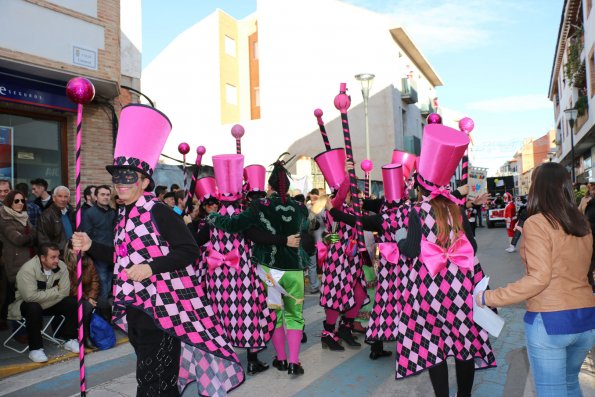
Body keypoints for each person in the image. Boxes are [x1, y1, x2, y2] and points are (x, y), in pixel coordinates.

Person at [74, 104, 243, 396]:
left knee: (153, 381)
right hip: (136, 306)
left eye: (128, 177)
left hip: (165, 308)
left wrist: (150, 268)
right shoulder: (124, 215)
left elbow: (189, 250)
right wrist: (91, 247)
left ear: (144, 181)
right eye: (117, 178)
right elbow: (121, 259)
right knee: (156, 378)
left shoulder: (158, 211)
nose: (120, 183)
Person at [391, 124, 496, 396]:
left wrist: (400, 239)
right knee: (464, 343)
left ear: (421, 186)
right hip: (460, 288)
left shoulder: (417, 211)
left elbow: (412, 250)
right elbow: (471, 247)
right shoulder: (457, 209)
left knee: (433, 346)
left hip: (429, 289)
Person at [477, 162, 595, 397]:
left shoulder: (537, 222)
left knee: (552, 391)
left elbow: (538, 279)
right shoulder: (581, 223)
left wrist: (489, 297)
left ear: (537, 188)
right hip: (586, 318)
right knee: (571, 384)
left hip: (550, 321)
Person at [208, 153, 310, 376]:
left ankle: (280, 359)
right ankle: (294, 361)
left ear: (270, 186)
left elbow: (233, 225)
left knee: (275, 313)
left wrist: (213, 217)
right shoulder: (301, 208)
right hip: (294, 269)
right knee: (295, 315)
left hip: (269, 270)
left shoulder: (259, 205)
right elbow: (307, 230)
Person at [8, 243, 79, 362]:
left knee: (72, 302)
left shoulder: (61, 266)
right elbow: (30, 297)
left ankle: (69, 339)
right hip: (25, 304)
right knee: (33, 307)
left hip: (45, 303)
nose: (57, 260)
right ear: (42, 258)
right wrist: (56, 290)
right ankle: (35, 349)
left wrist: (49, 295)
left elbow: (65, 292)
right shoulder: (27, 269)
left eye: (58, 256)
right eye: (53, 257)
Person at [0, 190, 37, 341]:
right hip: (15, 264)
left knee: (29, 298)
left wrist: (31, 236)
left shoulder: (24, 217)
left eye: (22, 201)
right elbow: (18, 240)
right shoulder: (4, 218)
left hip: (30, 261)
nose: (20, 203)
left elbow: (35, 234)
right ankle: (19, 332)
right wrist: (32, 237)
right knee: (19, 299)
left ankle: (30, 329)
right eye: (16, 201)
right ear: (9, 202)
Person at [82, 185, 116, 305]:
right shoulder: (89, 213)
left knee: (111, 282)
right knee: (102, 283)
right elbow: (86, 234)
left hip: (113, 253)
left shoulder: (113, 213)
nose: (106, 197)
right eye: (102, 194)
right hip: (98, 254)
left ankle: (107, 312)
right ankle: (102, 313)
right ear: (95, 197)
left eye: (107, 194)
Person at [63, 244, 100, 349]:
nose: (82, 249)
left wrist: (92, 297)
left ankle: (99, 334)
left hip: (89, 294)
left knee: (104, 303)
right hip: (73, 295)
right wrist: (87, 299)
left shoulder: (88, 261)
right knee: (87, 306)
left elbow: (95, 280)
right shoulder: (65, 264)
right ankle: (85, 337)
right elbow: (71, 287)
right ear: (70, 250)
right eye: (77, 247)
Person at [37, 186, 74, 256]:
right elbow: (44, 241)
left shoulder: (72, 212)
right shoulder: (46, 216)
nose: (63, 199)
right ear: (54, 198)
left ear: (68, 199)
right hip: (58, 257)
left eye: (65, 197)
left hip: (72, 254)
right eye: (60, 196)